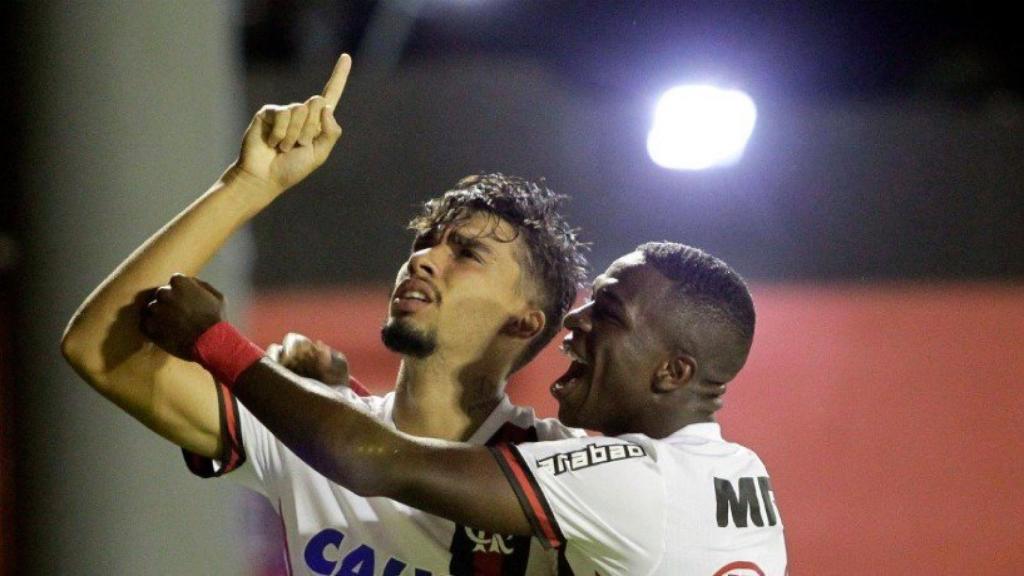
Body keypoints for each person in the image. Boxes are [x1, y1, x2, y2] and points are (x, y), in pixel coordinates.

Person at [60, 53, 604, 575]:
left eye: (466, 253)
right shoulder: (305, 420)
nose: (423, 258)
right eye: (426, 241)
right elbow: (96, 350)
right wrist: (249, 184)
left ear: (524, 321)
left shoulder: (564, 471)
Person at [139, 242, 788, 575]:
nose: (577, 318)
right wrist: (352, 398)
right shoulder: (734, 472)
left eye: (609, 312)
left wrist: (214, 342)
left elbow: (380, 464)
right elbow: (426, 462)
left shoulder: (634, 483)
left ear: (675, 371)